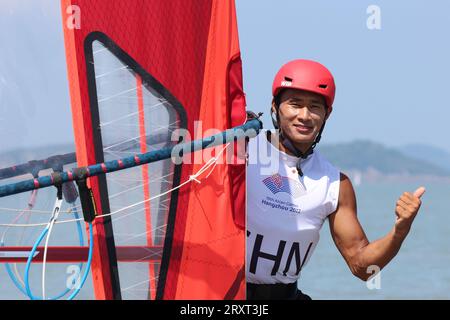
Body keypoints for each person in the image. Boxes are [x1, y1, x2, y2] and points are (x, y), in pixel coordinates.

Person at [246, 59, 425, 300]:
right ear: (275, 107)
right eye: (294, 104)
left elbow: (361, 266)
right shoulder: (242, 151)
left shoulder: (334, 184)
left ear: (327, 114)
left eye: (315, 107)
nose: (304, 116)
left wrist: (399, 232)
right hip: (223, 293)